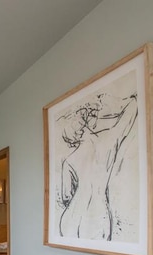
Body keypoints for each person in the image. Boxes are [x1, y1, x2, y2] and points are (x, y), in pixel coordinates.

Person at [57, 91, 138, 240]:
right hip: (97, 214)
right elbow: (132, 110)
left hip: (70, 218)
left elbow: (66, 197)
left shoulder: (69, 160)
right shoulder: (108, 140)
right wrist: (119, 103)